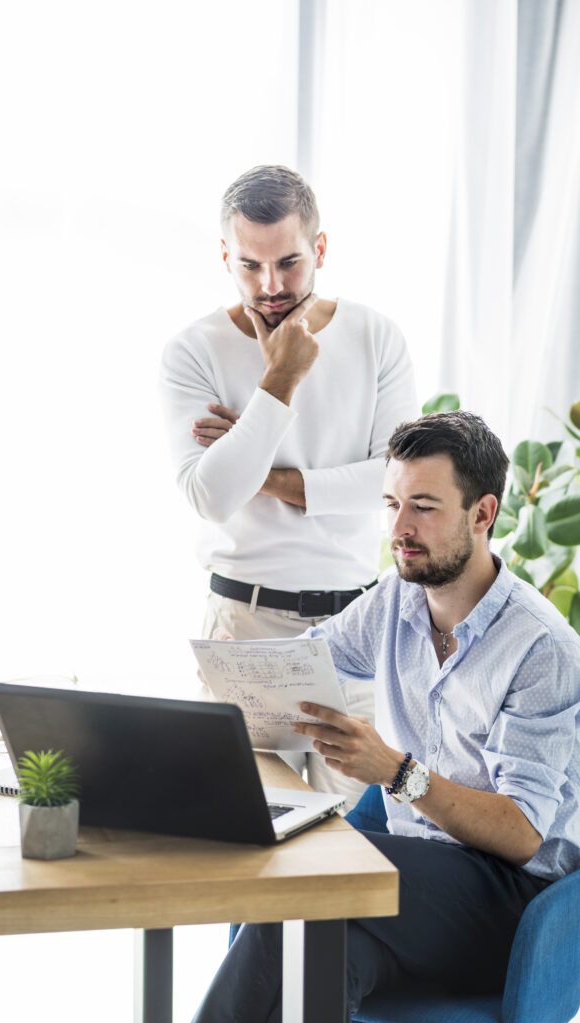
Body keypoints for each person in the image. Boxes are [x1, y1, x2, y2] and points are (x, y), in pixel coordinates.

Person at [191, 410, 580, 1023]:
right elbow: (307, 662)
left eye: (423, 507)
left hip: (512, 905)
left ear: (483, 514)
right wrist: (238, 673)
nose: (399, 528)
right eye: (391, 504)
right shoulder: (396, 599)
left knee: (304, 882)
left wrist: (395, 771)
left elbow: (523, 835)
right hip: (418, 883)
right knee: (318, 961)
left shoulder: (542, 650)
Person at [159, 165, 418, 802]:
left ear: (320, 249)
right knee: (250, 835)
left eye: (289, 263)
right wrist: (281, 379)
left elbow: (394, 483)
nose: (270, 286)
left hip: (353, 630)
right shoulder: (193, 350)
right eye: (250, 265)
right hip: (245, 627)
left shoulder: (377, 337)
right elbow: (212, 497)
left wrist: (256, 469)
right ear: (226, 256)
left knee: (353, 843)